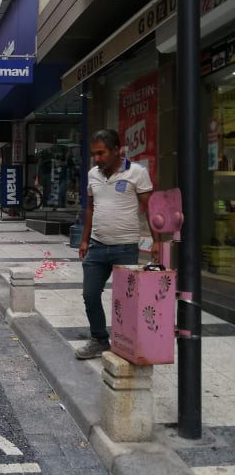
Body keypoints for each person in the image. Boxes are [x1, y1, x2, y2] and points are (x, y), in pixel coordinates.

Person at [76, 129, 161, 360]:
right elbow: (90, 208)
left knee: (126, 299)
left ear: (116, 150)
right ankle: (99, 340)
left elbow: (150, 207)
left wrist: (157, 241)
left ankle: (128, 342)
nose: (96, 158)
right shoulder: (93, 174)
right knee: (90, 294)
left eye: (101, 153)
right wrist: (84, 240)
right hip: (97, 246)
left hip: (125, 248)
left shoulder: (137, 173)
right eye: (94, 154)